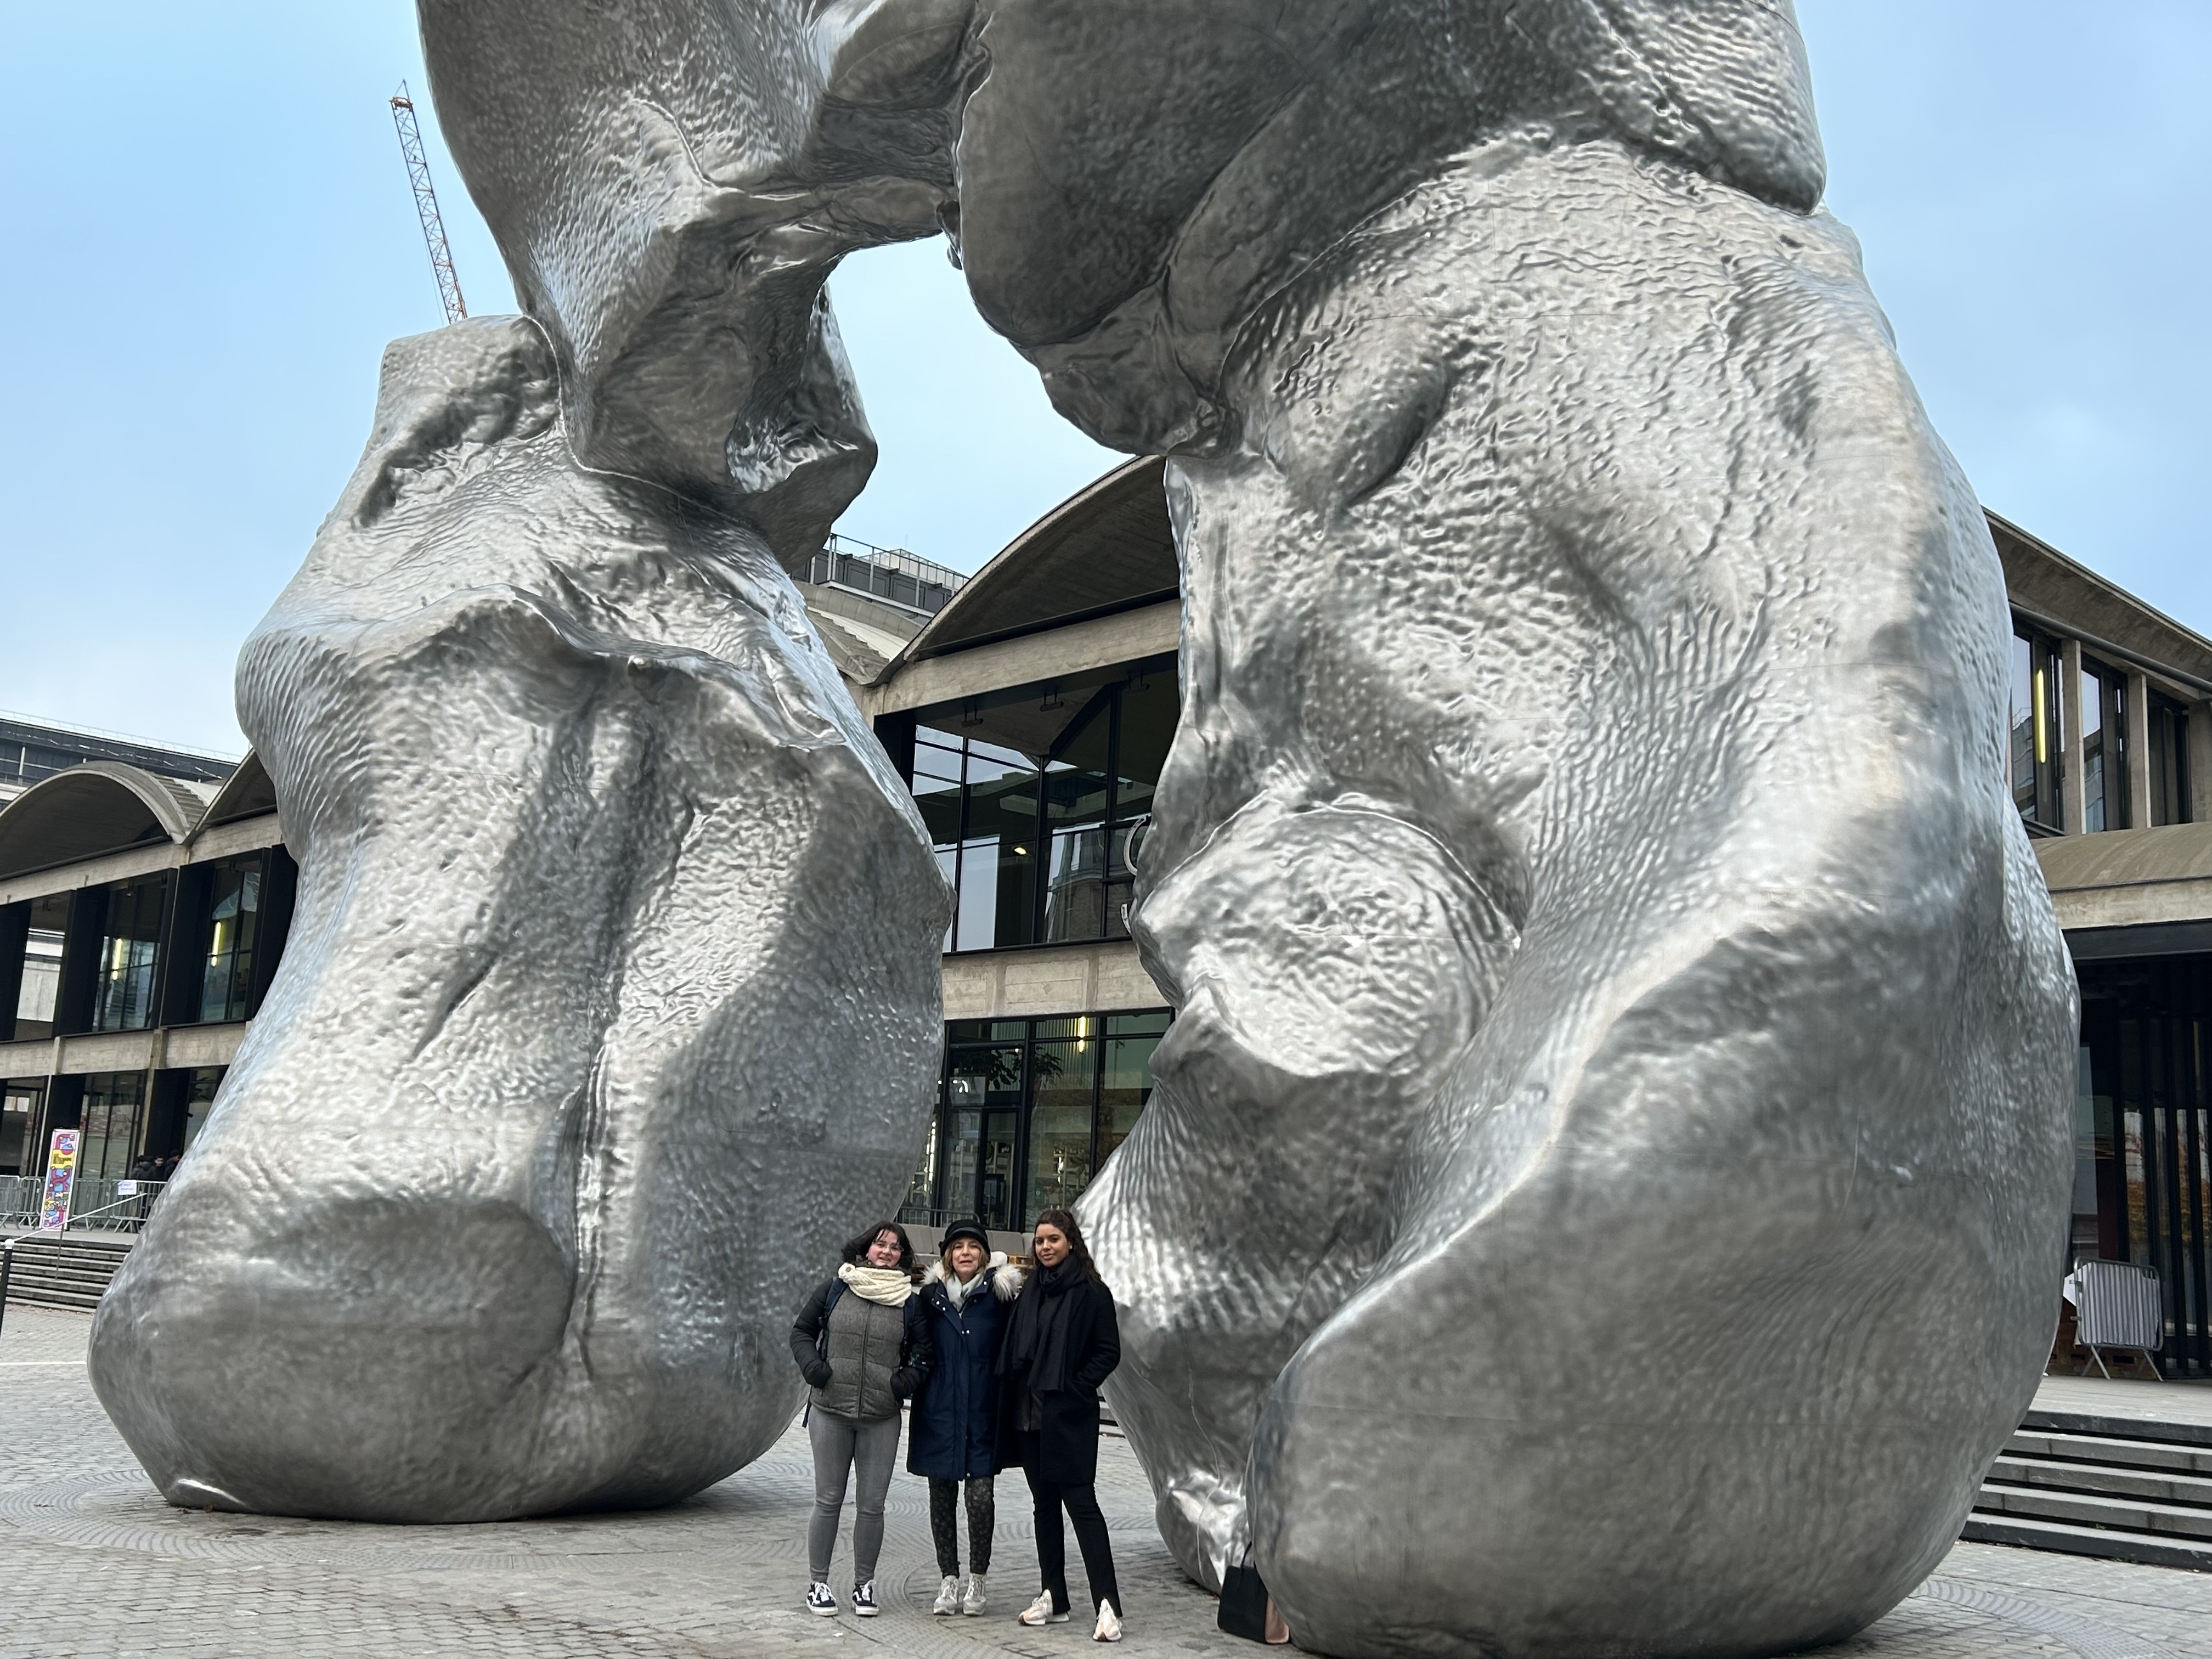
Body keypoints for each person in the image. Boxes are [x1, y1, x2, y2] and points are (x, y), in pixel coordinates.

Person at [789, 1221, 934, 1619]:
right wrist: (815, 1369)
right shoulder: (838, 1287)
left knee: (872, 1506)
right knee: (829, 1500)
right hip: (830, 1412)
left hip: (880, 1416)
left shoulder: (910, 1302)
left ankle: (863, 1585)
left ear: (903, 1256)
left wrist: (900, 1384)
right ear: (866, 1249)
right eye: (880, 1245)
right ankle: (818, 1584)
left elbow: (925, 1355)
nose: (886, 1252)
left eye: (895, 1248)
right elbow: (801, 1331)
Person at [997, 1207, 1125, 1642]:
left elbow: (1109, 1352)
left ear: (1071, 1242)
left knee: (1083, 1508)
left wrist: (1076, 1386)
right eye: (1040, 1241)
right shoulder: (1031, 1289)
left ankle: (1108, 1605)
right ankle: (1054, 1595)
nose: (1046, 1247)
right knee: (1044, 1507)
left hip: (1067, 1417)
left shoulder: (1091, 1293)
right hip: (1028, 1416)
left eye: (1053, 1239)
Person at [909, 1218, 1025, 1617]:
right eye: (957, 1247)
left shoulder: (1000, 1297)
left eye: (972, 1247)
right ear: (947, 1255)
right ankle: (948, 1579)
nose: (965, 1253)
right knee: (941, 1500)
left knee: (980, 1499)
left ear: (983, 1255)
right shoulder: (930, 1298)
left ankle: (978, 1576)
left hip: (982, 1414)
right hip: (939, 1413)